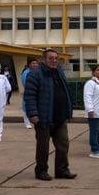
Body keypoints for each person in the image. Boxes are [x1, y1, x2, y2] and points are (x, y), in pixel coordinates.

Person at [23, 49, 77, 181]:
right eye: (50, 58)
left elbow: (64, 90)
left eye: (56, 58)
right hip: (43, 117)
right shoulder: (35, 74)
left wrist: (68, 109)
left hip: (60, 116)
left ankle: (62, 170)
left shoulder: (59, 71)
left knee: (63, 145)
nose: (54, 61)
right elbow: (29, 96)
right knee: (43, 146)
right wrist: (33, 114)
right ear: (43, 60)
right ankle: (41, 171)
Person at [20, 59, 40, 129]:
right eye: (33, 63)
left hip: (38, 93)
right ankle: (27, 122)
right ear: (29, 65)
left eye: (36, 63)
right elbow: (26, 83)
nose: (35, 65)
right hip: (29, 92)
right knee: (26, 108)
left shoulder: (38, 72)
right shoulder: (26, 73)